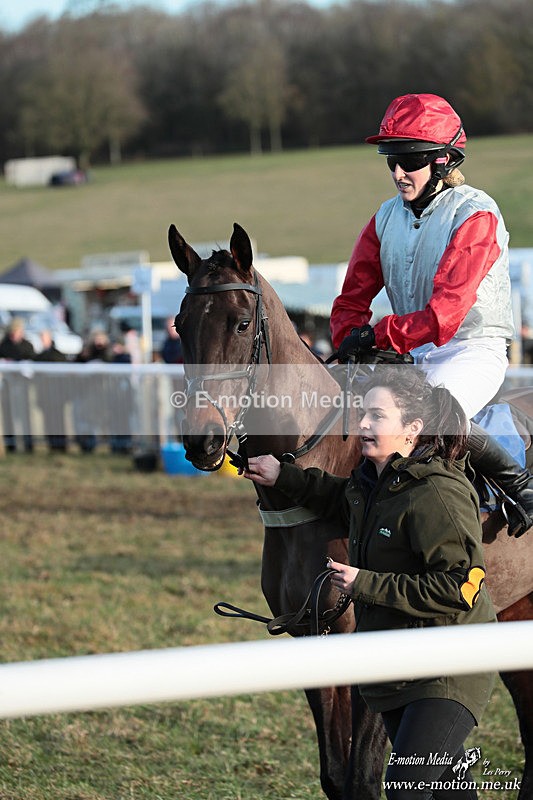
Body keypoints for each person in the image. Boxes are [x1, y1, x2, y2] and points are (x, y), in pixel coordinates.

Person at [243, 368, 496, 800]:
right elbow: (336, 497)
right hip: (399, 664)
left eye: (377, 416)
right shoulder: (375, 483)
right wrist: (281, 475)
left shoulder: (437, 493)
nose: (362, 424)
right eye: (363, 414)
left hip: (450, 663)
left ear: (412, 429)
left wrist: (365, 584)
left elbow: (459, 589)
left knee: (405, 788)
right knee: (448, 791)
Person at [330, 92, 533, 537]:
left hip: (470, 349)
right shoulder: (385, 217)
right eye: (391, 161)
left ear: (443, 160)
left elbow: (446, 315)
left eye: (411, 160)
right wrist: (349, 338)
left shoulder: (475, 214)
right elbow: (351, 299)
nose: (399, 172)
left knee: (426, 419)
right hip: (411, 353)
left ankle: (521, 485)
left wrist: (378, 336)